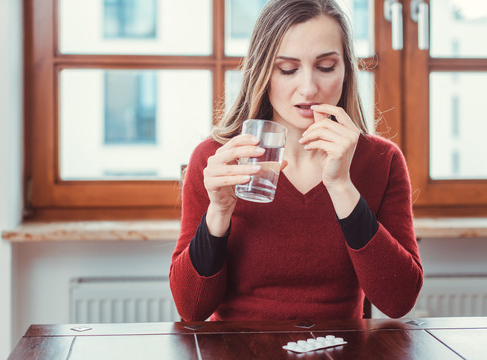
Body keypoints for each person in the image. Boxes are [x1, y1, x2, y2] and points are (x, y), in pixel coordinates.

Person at [169, 0, 423, 322]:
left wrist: (341, 186)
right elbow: (191, 309)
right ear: (263, 72)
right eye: (287, 69)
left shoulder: (382, 160)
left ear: (346, 70)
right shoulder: (216, 160)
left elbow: (399, 301)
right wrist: (218, 212)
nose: (308, 88)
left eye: (326, 67)